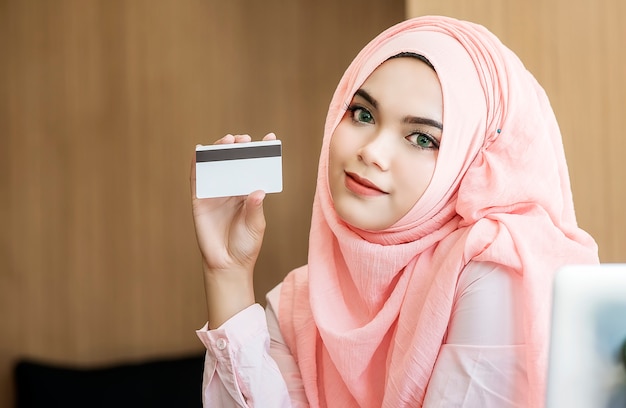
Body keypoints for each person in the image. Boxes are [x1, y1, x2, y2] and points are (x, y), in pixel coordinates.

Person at [190, 15, 599, 407]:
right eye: (363, 114)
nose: (372, 152)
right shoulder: (299, 302)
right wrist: (227, 272)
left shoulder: (489, 268)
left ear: (471, 162)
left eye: (422, 138)